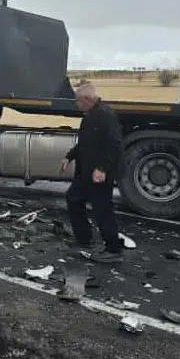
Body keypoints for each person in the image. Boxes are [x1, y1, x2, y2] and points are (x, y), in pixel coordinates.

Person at [58, 82, 124, 263]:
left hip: (99, 173)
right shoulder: (89, 116)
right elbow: (85, 143)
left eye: (77, 101)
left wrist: (102, 168)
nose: (76, 105)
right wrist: (69, 157)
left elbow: (114, 145)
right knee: (73, 198)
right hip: (86, 171)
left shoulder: (105, 115)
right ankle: (84, 239)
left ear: (86, 99)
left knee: (102, 209)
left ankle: (113, 250)